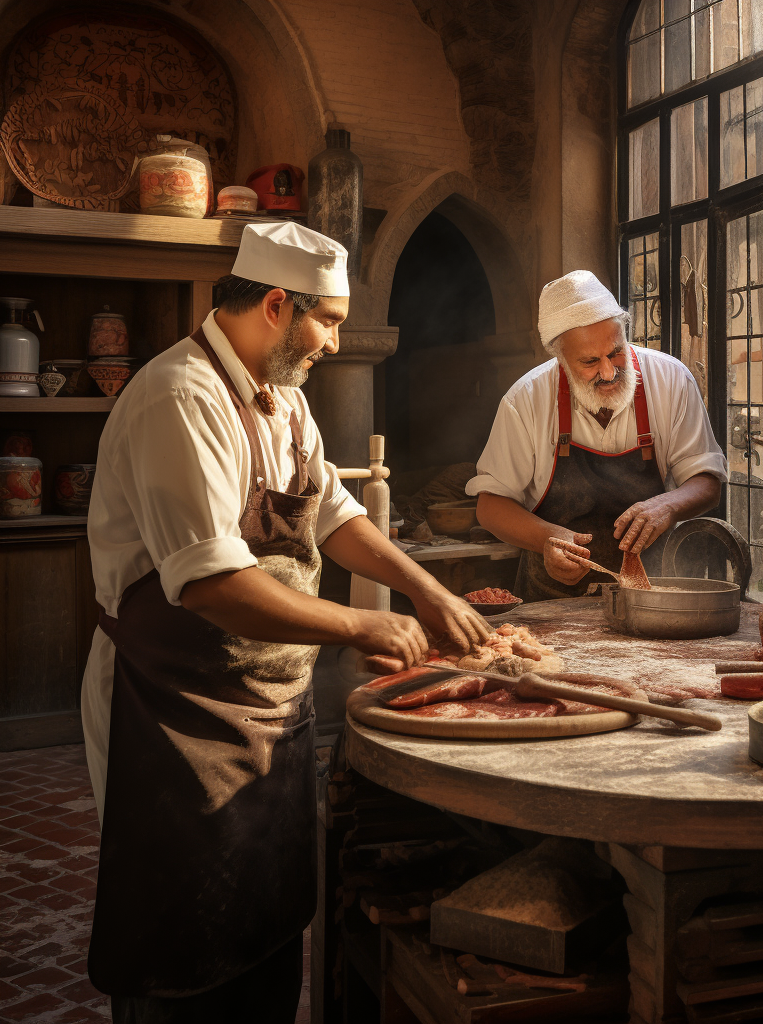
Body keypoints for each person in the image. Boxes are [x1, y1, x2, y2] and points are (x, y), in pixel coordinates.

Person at [80, 221, 489, 1021]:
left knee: (263, 929)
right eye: (329, 321)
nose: (336, 342)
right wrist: (359, 626)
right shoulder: (181, 397)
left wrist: (426, 591)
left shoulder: (286, 402)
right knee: (182, 950)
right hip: (171, 713)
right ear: (276, 304)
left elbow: (333, 515)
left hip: (265, 704)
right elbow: (210, 585)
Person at [468, 270, 728, 602]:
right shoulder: (526, 400)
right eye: (590, 361)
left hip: (653, 596)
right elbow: (490, 506)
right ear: (560, 359)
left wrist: (668, 505)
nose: (608, 372)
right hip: (552, 600)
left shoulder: (672, 380)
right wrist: (547, 538)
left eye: (616, 352)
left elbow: (707, 483)